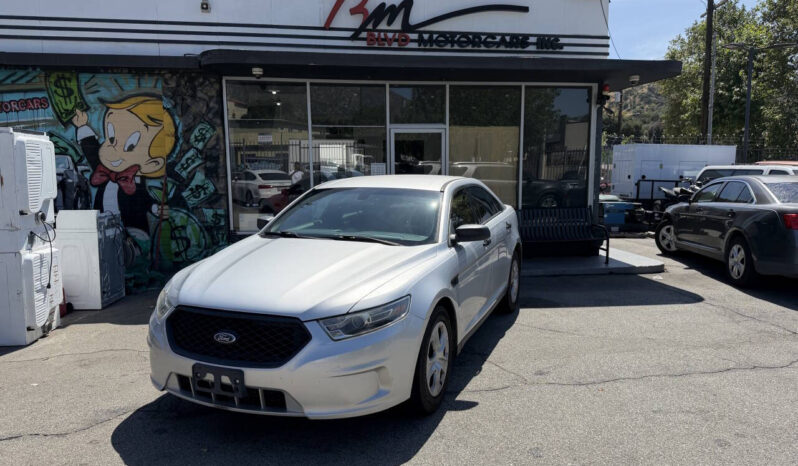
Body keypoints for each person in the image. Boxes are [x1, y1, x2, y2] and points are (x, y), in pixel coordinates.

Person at [72, 95, 175, 233]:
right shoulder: (104, 170)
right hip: (103, 229)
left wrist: (155, 208)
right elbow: (92, 152)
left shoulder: (134, 180)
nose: (111, 149)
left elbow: (143, 199)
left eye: (130, 146)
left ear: (152, 164)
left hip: (133, 230)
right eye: (112, 138)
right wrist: (83, 126)